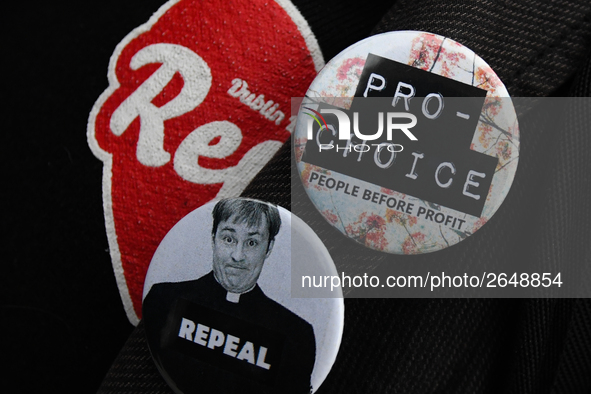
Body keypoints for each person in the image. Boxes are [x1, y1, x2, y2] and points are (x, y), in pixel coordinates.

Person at [143, 198, 316, 394]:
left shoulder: (296, 336)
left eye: (252, 242)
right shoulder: (164, 299)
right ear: (213, 238)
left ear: (268, 248)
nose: (238, 255)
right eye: (229, 239)